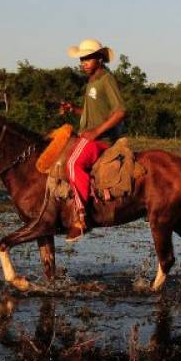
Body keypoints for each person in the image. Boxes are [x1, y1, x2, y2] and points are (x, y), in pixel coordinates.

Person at [59, 39, 127, 242]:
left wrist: (96, 132)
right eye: (82, 59)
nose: (83, 62)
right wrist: (74, 109)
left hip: (101, 139)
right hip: (90, 134)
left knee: (72, 164)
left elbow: (120, 111)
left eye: (88, 58)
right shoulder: (92, 81)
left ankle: (81, 218)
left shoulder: (106, 79)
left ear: (99, 59)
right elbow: (93, 114)